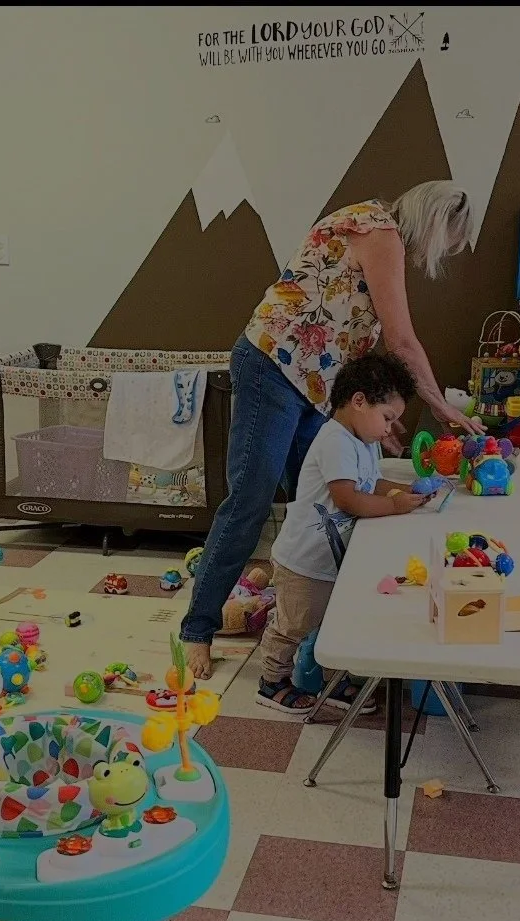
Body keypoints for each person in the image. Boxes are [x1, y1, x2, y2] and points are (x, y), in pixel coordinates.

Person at [179, 180, 480, 679]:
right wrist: (442, 406)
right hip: (273, 365)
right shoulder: (380, 233)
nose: (441, 255)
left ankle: (314, 618)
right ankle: (198, 627)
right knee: (251, 499)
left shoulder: (371, 224)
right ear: (435, 223)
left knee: (322, 497)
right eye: (446, 243)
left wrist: (371, 417)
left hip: (314, 382)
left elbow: (351, 337)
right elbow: (400, 339)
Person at [257, 354, 430, 712]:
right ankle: (271, 680)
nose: (389, 429)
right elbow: (349, 498)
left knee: (336, 620)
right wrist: (396, 505)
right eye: (387, 418)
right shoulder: (335, 440)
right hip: (304, 562)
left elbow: (370, 482)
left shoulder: (362, 440)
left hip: (332, 558)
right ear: (359, 401)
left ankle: (335, 682)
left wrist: (403, 489)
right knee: (294, 624)